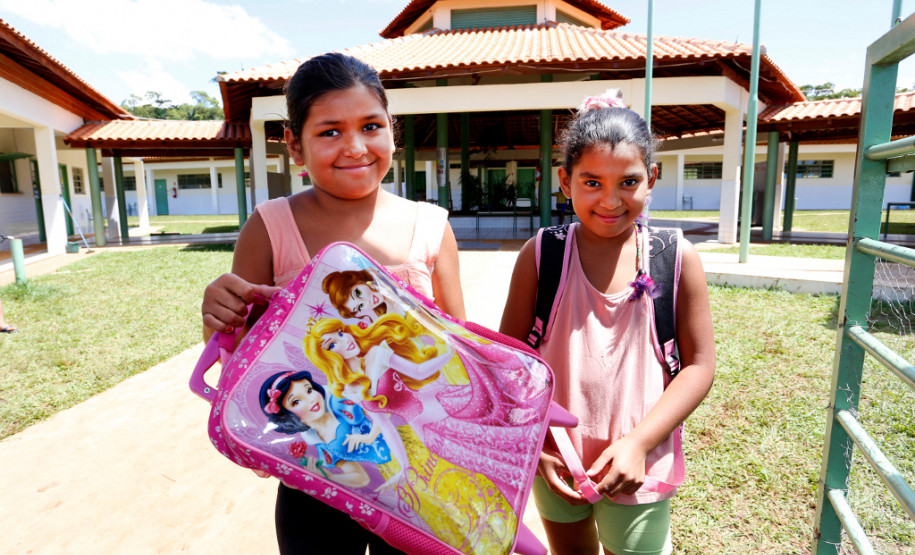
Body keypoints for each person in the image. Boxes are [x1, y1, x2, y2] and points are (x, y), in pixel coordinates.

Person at [200, 52, 465, 555]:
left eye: (371, 126)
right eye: (329, 132)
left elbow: (458, 350)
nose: (355, 147)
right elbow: (243, 365)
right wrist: (221, 315)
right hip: (313, 475)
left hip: (415, 475)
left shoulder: (431, 227)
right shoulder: (270, 226)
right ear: (294, 146)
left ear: (393, 131)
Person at [499, 89, 716, 555]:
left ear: (651, 178)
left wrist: (638, 443)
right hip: (556, 460)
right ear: (565, 180)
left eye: (628, 182)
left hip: (639, 465)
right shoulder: (541, 254)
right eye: (592, 182)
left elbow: (699, 366)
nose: (610, 200)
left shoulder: (675, 257)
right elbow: (508, 362)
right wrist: (535, 449)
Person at [259, 370, 391, 489]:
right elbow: (361, 478)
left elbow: (385, 406)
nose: (310, 400)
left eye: (309, 390)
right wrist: (327, 476)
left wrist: (370, 436)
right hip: (388, 474)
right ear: (287, 416)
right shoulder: (323, 446)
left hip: (403, 444)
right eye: (296, 401)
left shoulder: (340, 403)